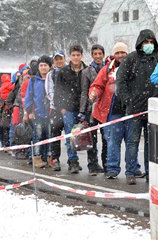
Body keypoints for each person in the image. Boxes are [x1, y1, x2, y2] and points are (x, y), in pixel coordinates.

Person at [116, 29, 158, 185]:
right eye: (146, 42)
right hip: (134, 109)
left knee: (152, 144)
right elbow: (120, 81)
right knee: (132, 142)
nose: (148, 45)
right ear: (140, 43)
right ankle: (130, 172)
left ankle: (150, 174)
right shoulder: (131, 59)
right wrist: (128, 100)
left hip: (153, 109)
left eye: (151, 42)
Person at [89, 42, 130, 180]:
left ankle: (133, 169)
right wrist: (94, 92)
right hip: (113, 112)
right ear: (114, 54)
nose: (120, 55)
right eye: (117, 53)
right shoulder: (107, 69)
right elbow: (97, 85)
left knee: (131, 142)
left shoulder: (133, 66)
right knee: (113, 142)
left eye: (123, 52)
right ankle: (112, 168)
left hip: (130, 111)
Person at [55, 44, 87, 174]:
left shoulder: (87, 70)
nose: (76, 57)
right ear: (70, 56)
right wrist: (62, 107)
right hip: (68, 109)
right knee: (70, 136)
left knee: (85, 137)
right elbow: (58, 91)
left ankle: (92, 162)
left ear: (81, 56)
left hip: (83, 108)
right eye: (73, 55)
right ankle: (73, 161)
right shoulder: (63, 72)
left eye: (78, 55)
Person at [79, 44, 106, 175]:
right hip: (92, 109)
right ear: (92, 55)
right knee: (92, 138)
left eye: (100, 53)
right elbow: (84, 92)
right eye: (95, 54)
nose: (97, 56)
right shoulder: (86, 72)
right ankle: (92, 165)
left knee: (107, 138)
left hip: (105, 108)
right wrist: (82, 111)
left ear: (103, 54)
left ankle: (106, 164)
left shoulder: (109, 69)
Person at [24, 55, 52, 168]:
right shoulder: (34, 80)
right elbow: (28, 97)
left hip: (50, 113)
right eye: (41, 65)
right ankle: (37, 157)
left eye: (45, 65)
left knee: (50, 136)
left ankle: (50, 157)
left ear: (50, 67)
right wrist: (29, 111)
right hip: (37, 113)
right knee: (38, 136)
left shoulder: (52, 79)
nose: (43, 68)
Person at [46, 50, 67, 171]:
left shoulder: (69, 71)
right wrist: (59, 105)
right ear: (54, 61)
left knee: (71, 135)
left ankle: (73, 160)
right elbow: (50, 92)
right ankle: (55, 159)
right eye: (56, 59)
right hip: (55, 109)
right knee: (55, 135)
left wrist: (67, 105)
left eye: (61, 58)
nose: (59, 61)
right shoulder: (51, 74)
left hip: (69, 109)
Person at [0, 74, 14, 148]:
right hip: (8, 107)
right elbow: (13, 88)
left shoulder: (2, 86)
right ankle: (7, 143)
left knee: (4, 127)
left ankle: (4, 142)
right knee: (7, 126)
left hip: (4, 107)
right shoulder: (8, 85)